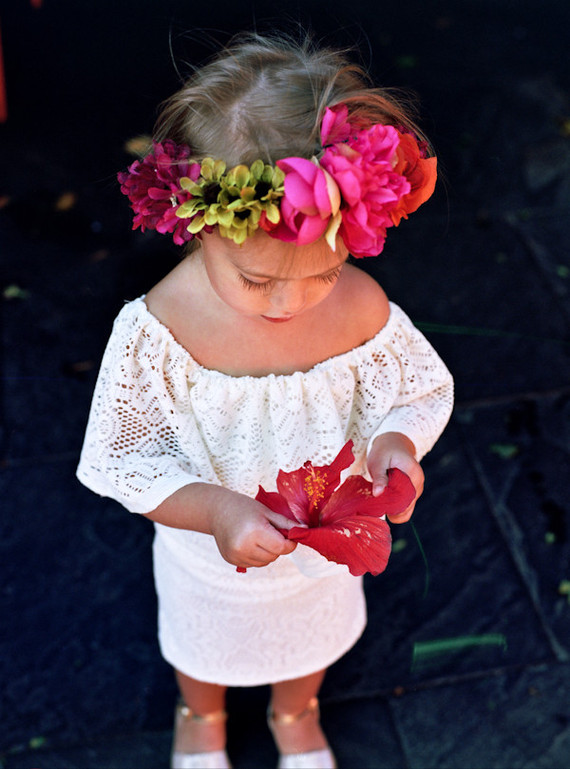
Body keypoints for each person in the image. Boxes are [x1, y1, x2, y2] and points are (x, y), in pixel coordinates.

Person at [77, 33, 454, 769]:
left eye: (324, 271)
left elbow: (413, 389)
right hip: (211, 560)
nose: (292, 302)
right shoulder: (159, 331)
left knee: (307, 636)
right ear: (199, 223)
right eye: (256, 280)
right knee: (204, 643)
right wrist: (217, 510)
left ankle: (296, 705)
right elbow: (126, 457)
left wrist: (395, 445)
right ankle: (201, 711)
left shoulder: (360, 307)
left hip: (319, 555)